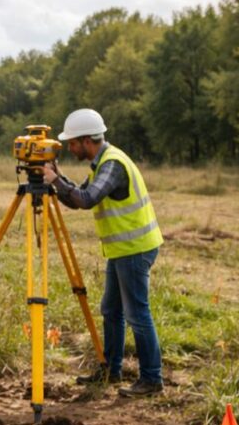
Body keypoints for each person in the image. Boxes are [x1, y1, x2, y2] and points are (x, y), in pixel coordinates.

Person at [42, 108, 164, 397]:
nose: (70, 148)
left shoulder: (112, 164)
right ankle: (111, 370)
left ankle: (151, 379)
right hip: (122, 249)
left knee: (137, 314)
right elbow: (77, 197)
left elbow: (86, 199)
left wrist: (54, 181)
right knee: (111, 310)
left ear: (87, 140)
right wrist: (58, 178)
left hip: (135, 249)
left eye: (73, 143)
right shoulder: (102, 164)